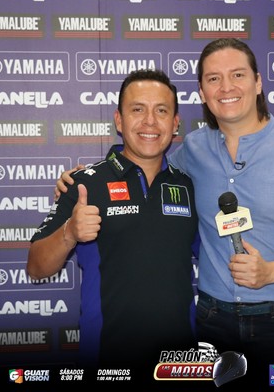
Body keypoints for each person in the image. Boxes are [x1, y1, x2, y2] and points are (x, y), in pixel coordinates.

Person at [56, 38, 274, 386]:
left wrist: (273, 272)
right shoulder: (192, 151)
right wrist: (81, 179)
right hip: (212, 323)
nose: (226, 87)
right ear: (202, 92)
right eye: (214, 79)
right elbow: (144, 164)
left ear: (258, 82)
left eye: (237, 75)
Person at [27, 69, 199, 383]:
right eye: (138, 109)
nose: (150, 121)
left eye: (161, 111)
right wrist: (69, 233)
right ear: (119, 120)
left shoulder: (189, 186)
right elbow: (36, 267)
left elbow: (218, 258)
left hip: (179, 365)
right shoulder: (84, 184)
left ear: (175, 124)